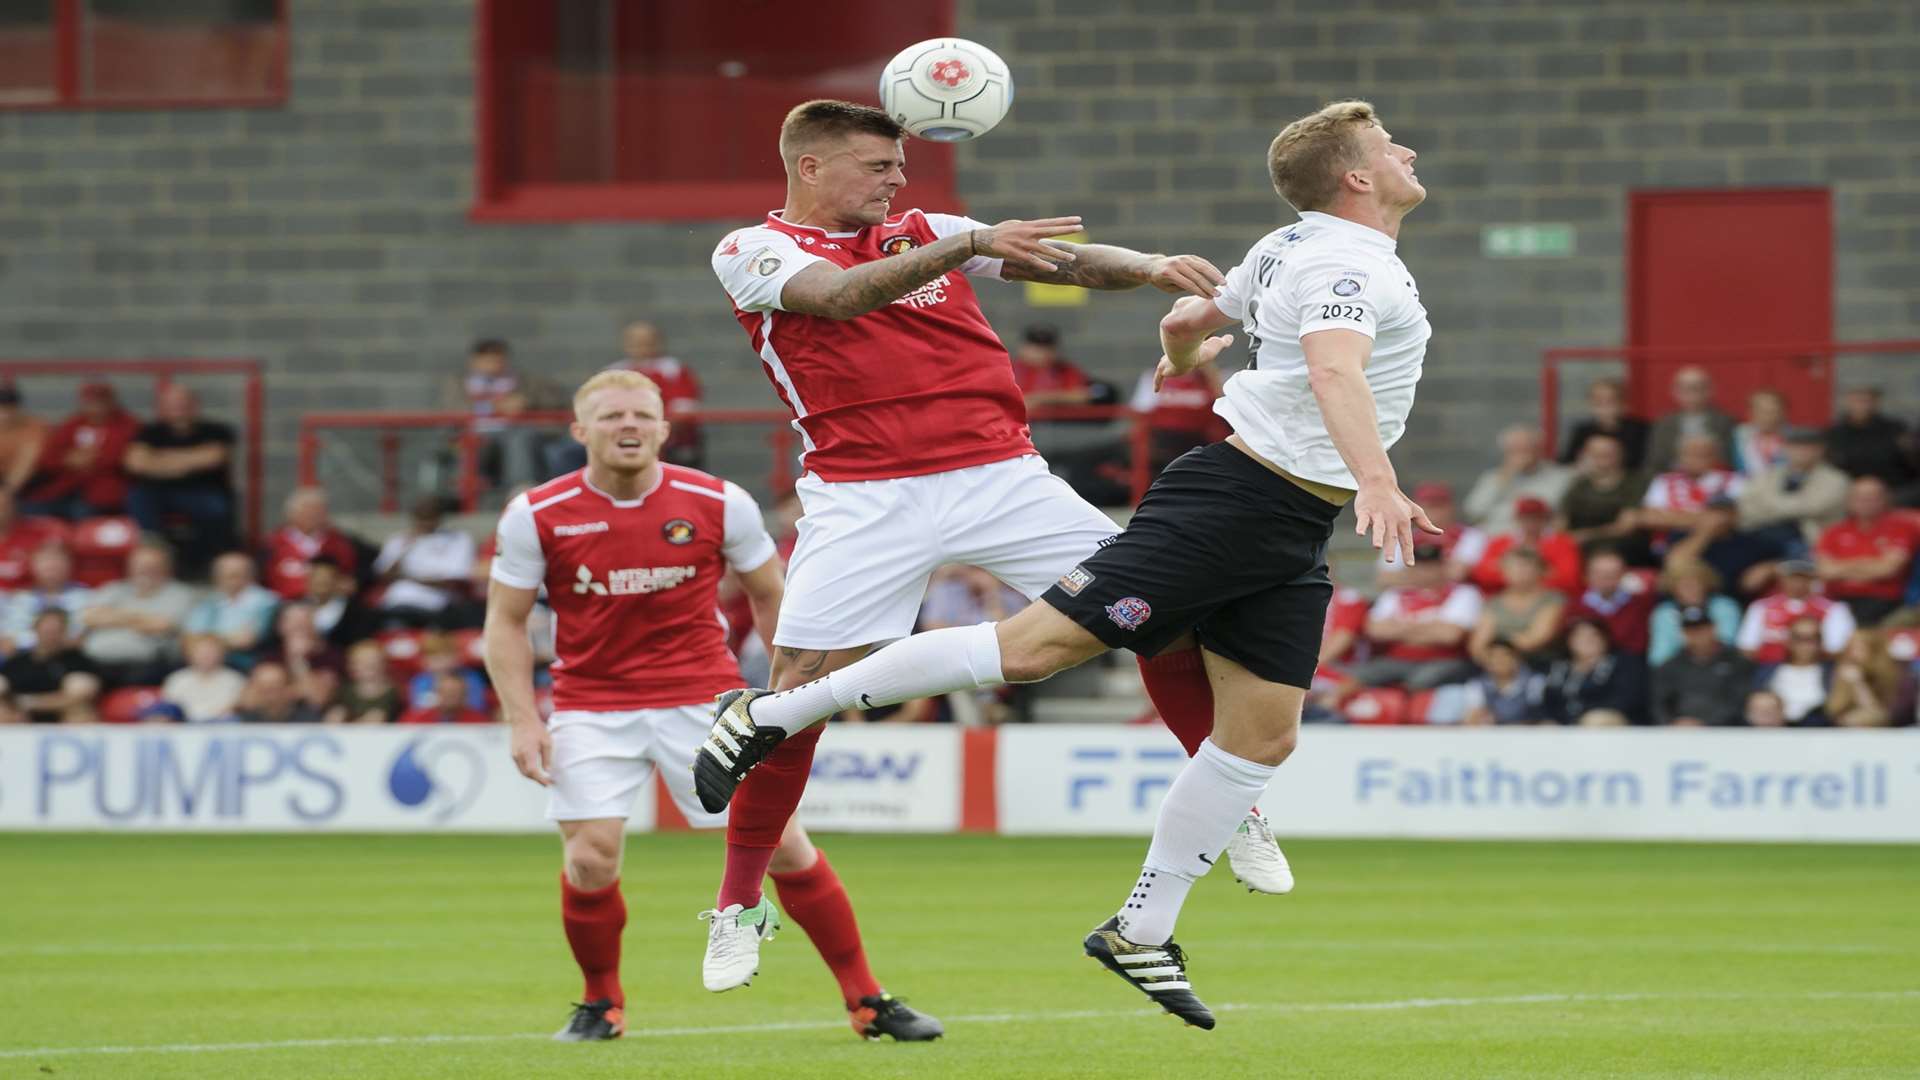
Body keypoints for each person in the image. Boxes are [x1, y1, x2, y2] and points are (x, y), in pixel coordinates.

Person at [698, 99, 1435, 1028]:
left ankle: (1229, 811)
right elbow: (841, 297)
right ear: (810, 169)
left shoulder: (930, 228)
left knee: (1167, 617)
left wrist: (1151, 268)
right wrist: (967, 247)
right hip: (863, 489)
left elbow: (1067, 261)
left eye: (898, 167)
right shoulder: (751, 249)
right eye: (874, 167)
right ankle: (736, 901)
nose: (895, 183)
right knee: (808, 679)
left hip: (1002, 473)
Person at [483, 370, 942, 1043]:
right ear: (580, 431)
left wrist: (793, 694)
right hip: (591, 704)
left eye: (643, 415)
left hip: (704, 697)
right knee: (589, 858)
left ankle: (868, 999)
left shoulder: (718, 501)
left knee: (782, 844)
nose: (629, 427)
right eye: (611, 417)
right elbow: (505, 621)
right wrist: (523, 719)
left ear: (666, 429)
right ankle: (600, 1003)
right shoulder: (537, 513)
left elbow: (769, 593)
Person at [123, 384, 238, 573]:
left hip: (203, 492)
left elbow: (213, 458)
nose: (179, 408)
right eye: (172, 404)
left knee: (216, 509)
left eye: (183, 403)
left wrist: (159, 460)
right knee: (138, 496)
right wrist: (190, 461)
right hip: (158, 494)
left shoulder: (216, 430)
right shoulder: (149, 431)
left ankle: (209, 565)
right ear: (163, 406)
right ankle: (156, 553)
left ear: (195, 405)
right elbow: (136, 463)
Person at [1354, 544, 1481, 690]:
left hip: (1444, 660)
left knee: (1421, 681)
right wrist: (1431, 627)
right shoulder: (1395, 593)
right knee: (1354, 678)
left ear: (1443, 567)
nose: (1424, 572)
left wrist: (1400, 626)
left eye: (1430, 566)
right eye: (1419, 566)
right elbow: (1374, 630)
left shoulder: (1463, 593)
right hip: (1397, 659)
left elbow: (1450, 636)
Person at [76, 540, 195, 687]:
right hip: (94, 664)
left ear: (166, 568)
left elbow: (161, 625)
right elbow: (88, 617)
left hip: (145, 668)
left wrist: (111, 616)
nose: (144, 570)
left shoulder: (180, 594)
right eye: (139, 565)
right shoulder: (113, 589)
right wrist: (138, 619)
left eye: (152, 566)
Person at [20, 382, 138, 520]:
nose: (96, 406)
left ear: (111, 402)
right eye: (91, 401)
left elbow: (119, 457)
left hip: (105, 492)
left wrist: (90, 459)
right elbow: (47, 457)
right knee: (30, 509)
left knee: (81, 512)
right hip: (65, 487)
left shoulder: (128, 424)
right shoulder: (74, 423)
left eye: (101, 401)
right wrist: (66, 459)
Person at [1815, 476, 1916, 626]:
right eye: (1860, 497)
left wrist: (1842, 568)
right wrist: (1870, 566)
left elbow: (1888, 569)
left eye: (1872, 497)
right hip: (1837, 598)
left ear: (1885, 499)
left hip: (1883, 601)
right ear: (1849, 501)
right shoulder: (1834, 531)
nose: (1865, 502)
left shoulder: (1902, 526)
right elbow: (1825, 570)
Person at [1736, 426, 1849, 551]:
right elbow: (1746, 507)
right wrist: (1792, 508)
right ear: (1785, 448)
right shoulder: (1767, 475)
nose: (1801, 451)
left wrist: (1768, 505)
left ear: (1821, 449)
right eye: (1795, 446)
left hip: (1809, 542)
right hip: (1761, 536)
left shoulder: (1836, 479)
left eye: (1808, 446)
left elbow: (1813, 507)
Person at [372, 496, 479, 627]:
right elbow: (383, 576)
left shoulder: (459, 539)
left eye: (429, 516)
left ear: (439, 516)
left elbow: (451, 582)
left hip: (437, 606)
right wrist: (405, 549)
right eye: (420, 516)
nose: (425, 522)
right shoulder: (398, 540)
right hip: (397, 604)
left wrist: (406, 577)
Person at [616, 320, 704, 468]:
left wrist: (654, 433)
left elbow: (684, 409)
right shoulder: (615, 372)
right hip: (624, 439)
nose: (641, 346)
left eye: (647, 341)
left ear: (659, 342)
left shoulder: (673, 369)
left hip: (671, 442)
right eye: (635, 341)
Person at [1735, 558, 1855, 664]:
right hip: (1768, 667)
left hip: (1817, 667)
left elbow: (1835, 649)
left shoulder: (1833, 609)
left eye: (1802, 578)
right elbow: (1747, 647)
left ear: (1812, 580)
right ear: (1781, 580)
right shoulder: (1761, 607)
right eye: (1792, 578)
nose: (1797, 583)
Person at [1650, 607, 1753, 725]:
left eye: (1702, 629)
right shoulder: (1670, 666)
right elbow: (1659, 703)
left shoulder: (1736, 662)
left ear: (1714, 629)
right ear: (1683, 634)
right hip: (1679, 731)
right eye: (1691, 630)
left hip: (1726, 731)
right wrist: (1672, 723)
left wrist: (1707, 723)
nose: (1698, 635)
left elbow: (1740, 701)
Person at [1462, 425, 1572, 534]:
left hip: (1535, 539)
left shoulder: (1561, 477)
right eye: (1514, 450)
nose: (1521, 456)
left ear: (1538, 450)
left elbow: (1556, 511)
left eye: (1526, 449)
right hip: (1493, 538)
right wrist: (1505, 478)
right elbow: (1473, 511)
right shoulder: (1493, 478)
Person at [1539, 617, 1647, 726]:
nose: (1588, 640)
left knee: (1595, 719)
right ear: (1569, 641)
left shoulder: (1624, 663)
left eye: (1594, 635)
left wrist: (1583, 713)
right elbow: (1547, 700)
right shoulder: (1558, 668)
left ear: (1605, 638)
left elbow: (1625, 700)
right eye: (1580, 636)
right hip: (1566, 722)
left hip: (1612, 721)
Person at [1467, 548, 1565, 667]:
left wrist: (1499, 649)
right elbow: (1478, 646)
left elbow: (1536, 639)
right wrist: (1497, 665)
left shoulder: (1552, 599)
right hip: (1496, 667)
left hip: (1540, 664)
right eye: (1512, 567)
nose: (1519, 572)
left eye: (1525, 566)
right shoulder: (1494, 603)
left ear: (1539, 570)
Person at [1560, 434, 1649, 563]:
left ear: (1621, 454)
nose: (1601, 458)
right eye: (1595, 453)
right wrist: (1561, 538)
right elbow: (1561, 520)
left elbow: (1625, 526)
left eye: (1607, 453)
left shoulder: (1635, 482)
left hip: (1618, 543)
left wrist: (1584, 536)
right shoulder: (1579, 484)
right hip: (1577, 541)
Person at [0, 610, 101, 723]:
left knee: (80, 712)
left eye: (56, 630)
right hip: (20, 713)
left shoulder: (78, 660)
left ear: (64, 632)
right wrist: (15, 706)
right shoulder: (17, 661)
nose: (51, 635)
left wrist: (33, 703)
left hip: (61, 713)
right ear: (35, 629)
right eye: (47, 630)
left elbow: (83, 694)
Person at [1378, 481, 1485, 588]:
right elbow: (1385, 578)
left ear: (1451, 507)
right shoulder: (1400, 537)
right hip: (1409, 597)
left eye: (1439, 506)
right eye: (1428, 506)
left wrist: (1412, 573)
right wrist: (1437, 573)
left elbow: (1458, 574)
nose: (1434, 512)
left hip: (1453, 597)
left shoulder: (1471, 536)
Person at [1468, 496, 1582, 594]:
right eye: (1526, 517)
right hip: (1504, 599)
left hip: (1548, 599)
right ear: (1517, 518)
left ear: (1546, 518)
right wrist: (1544, 574)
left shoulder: (1563, 543)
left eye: (1536, 517)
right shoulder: (1500, 542)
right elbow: (1482, 575)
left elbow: (1569, 580)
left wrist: (1510, 572)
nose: (1531, 523)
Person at [261, 487, 360, 600]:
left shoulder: (341, 543)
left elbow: (352, 577)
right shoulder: (272, 544)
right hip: (286, 607)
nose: (314, 515)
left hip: (329, 607)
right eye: (307, 510)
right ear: (291, 514)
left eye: (319, 511)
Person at [183, 552, 279, 661]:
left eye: (235, 574)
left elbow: (247, 640)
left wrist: (208, 639)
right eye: (224, 574)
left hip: (247, 660)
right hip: (207, 659)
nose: (229, 579)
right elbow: (189, 638)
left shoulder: (266, 602)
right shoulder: (208, 602)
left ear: (250, 576)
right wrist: (228, 638)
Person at [1647, 560, 1743, 667]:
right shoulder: (1664, 614)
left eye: (1695, 584)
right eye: (1684, 585)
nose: (1691, 589)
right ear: (1673, 589)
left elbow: (1727, 642)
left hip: (1720, 667)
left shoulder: (1725, 607)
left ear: (1706, 585)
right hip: (1679, 671)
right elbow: (1659, 656)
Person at [2, 544, 94, 650]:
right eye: (45, 560)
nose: (52, 565)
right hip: (25, 657)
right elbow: (10, 639)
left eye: (58, 560)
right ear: (32, 565)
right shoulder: (21, 599)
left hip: (70, 656)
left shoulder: (86, 596)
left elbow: (79, 636)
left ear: (70, 565)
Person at [1564, 548, 1656, 655]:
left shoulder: (1642, 604)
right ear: (1586, 575)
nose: (1606, 578)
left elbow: (1640, 645)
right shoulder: (1573, 606)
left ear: (1624, 574)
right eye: (1599, 573)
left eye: (1613, 573)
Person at [1645, 366, 1736, 472]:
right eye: (1686, 389)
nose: (1693, 395)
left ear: (1710, 390)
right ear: (1675, 392)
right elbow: (1654, 462)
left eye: (1698, 388)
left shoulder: (1725, 422)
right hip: (1674, 480)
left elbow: (1729, 460)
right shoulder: (1663, 424)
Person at [1824, 386, 1912, 488]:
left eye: (1867, 400)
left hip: (1892, 489)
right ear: (1846, 401)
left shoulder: (1895, 429)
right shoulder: (1834, 433)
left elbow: (1908, 464)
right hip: (1848, 493)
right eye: (1857, 400)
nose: (1862, 405)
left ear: (1876, 402)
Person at [1753, 617, 1831, 725]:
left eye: (1812, 638)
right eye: (1798, 638)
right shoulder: (1767, 672)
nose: (1805, 644)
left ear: (1821, 642)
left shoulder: (1834, 673)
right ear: (1788, 641)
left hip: (1821, 731)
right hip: (1773, 732)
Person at [1558, 378, 1648, 469]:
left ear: (1622, 402)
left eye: (1610, 400)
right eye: (1598, 401)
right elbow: (1565, 461)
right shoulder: (1582, 431)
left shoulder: (1639, 429)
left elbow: (1645, 462)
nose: (1604, 406)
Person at [161, 633, 247, 722]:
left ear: (222, 654)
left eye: (211, 652)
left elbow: (236, 709)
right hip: (183, 726)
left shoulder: (235, 680)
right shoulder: (177, 679)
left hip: (222, 726)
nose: (206, 656)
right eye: (201, 652)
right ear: (189, 654)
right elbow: (170, 709)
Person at [1826, 630, 1902, 728]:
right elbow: (1833, 710)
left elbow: (1878, 713)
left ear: (1874, 651)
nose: (1853, 654)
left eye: (1860, 649)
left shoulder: (1890, 675)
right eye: (1850, 649)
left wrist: (1859, 683)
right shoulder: (1844, 672)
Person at [1460, 639, 1543, 725]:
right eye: (1494, 657)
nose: (1500, 661)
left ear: (1516, 659)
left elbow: (1538, 714)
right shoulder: (1476, 685)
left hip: (1529, 732)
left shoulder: (1534, 681)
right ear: (1486, 661)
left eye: (1504, 656)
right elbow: (1472, 717)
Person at [1010, 325, 1095, 407]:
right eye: (1036, 347)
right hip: (1016, 419)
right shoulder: (1009, 369)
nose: (1041, 352)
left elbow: (1083, 396)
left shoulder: (1064, 369)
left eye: (1046, 347)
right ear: (1023, 348)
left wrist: (1042, 399)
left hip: (1054, 420)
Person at [325, 640, 402, 725]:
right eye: (359, 662)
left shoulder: (393, 692)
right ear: (351, 666)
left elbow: (377, 719)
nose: (366, 666)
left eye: (371, 663)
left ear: (384, 664)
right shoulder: (345, 690)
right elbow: (334, 716)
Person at [0, 488, 61, 590]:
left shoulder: (40, 533)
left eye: (3, 506)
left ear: (13, 506)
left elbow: (52, 570)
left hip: (31, 597)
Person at [230, 661, 322, 724]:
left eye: (274, 687)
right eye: (262, 688)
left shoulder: (307, 719)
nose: (268, 694)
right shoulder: (240, 720)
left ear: (288, 689)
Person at [0, 382, 48, 497]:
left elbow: (26, 464)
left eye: (9, 407)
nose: (5, 414)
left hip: (26, 484)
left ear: (17, 408)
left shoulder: (34, 426)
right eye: (2, 408)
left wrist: (6, 491)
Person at [397, 670, 493, 724]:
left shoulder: (478, 721)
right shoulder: (416, 719)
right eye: (446, 692)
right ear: (437, 692)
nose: (450, 697)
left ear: (464, 694)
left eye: (455, 693)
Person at [1731, 389, 1788, 477]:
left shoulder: (1794, 439)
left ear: (1783, 413)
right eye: (1762, 411)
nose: (1767, 417)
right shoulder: (1738, 436)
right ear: (1750, 412)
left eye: (1773, 412)